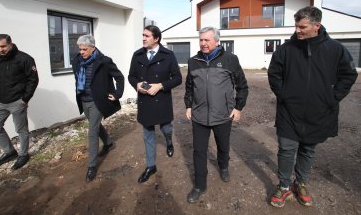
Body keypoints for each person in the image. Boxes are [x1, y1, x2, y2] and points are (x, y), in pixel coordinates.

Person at [268, 6, 358, 208]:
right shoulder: (285, 50)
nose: (297, 30)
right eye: (296, 26)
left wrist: (332, 98)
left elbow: (349, 75)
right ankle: (284, 187)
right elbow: (274, 74)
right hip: (289, 112)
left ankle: (300, 183)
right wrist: (284, 95)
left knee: (308, 150)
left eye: (302, 26)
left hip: (320, 112)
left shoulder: (336, 49)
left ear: (317, 26)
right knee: (286, 149)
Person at [184, 26, 249, 203]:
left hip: (223, 115)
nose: (203, 43)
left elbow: (242, 85)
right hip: (199, 116)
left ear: (217, 41)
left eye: (207, 40)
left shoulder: (230, 59)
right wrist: (188, 105)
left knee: (223, 145)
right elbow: (189, 86)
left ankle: (224, 166)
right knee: (198, 151)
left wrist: (238, 107)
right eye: (201, 40)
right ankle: (199, 185)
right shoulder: (193, 61)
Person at [128, 25, 182, 183]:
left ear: (156, 38)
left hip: (162, 98)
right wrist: (137, 85)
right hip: (145, 101)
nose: (143, 38)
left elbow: (177, 78)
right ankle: (151, 166)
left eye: (147, 36)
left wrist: (160, 86)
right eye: (143, 35)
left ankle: (169, 141)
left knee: (166, 127)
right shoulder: (137, 55)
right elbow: (131, 76)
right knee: (148, 134)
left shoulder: (168, 55)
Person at [72, 35, 124, 182]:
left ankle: (92, 166)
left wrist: (117, 93)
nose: (81, 52)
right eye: (80, 49)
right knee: (95, 125)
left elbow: (119, 77)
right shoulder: (77, 60)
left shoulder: (104, 61)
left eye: (84, 49)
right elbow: (77, 78)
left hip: (98, 101)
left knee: (92, 131)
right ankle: (108, 142)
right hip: (83, 99)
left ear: (93, 48)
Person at [0, 34, 39, 170]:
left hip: (17, 101)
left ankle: (23, 155)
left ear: (10, 44)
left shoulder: (24, 59)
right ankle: (10, 152)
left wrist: (24, 99)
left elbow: (33, 80)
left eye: (3, 46)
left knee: (21, 130)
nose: (0, 49)